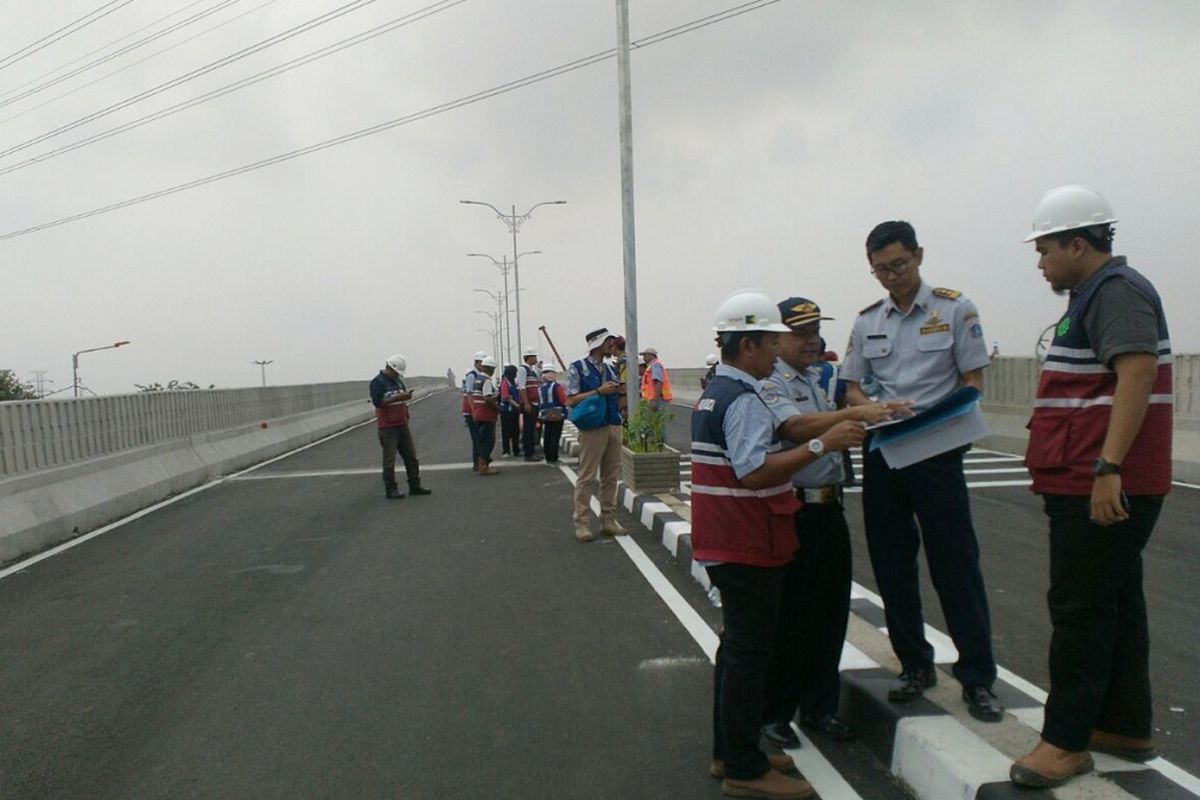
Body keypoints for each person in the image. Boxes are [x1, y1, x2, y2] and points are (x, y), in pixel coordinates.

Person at [1009, 186, 1173, 788]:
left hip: (1096, 481)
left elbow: (1136, 372)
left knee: (1078, 608)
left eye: (1047, 248)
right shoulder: (1093, 295)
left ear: (1079, 244)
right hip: (1087, 476)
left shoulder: (1117, 293)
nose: (1041, 261)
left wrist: (1108, 469)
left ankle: (1066, 741)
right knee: (1116, 604)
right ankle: (1124, 725)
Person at [693, 289, 866, 800]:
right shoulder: (744, 398)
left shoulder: (714, 392)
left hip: (727, 537)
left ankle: (731, 749)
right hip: (747, 539)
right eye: (771, 342)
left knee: (737, 652)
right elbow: (753, 472)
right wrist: (820, 444)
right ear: (748, 344)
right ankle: (745, 768)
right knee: (749, 655)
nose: (777, 351)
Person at [840, 220, 1003, 722]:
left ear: (919, 256)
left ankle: (977, 677)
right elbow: (851, 388)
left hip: (936, 451)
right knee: (892, 564)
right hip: (885, 453)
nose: (891, 277)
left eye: (899, 266)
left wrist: (936, 415)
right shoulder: (867, 322)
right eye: (880, 270)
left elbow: (972, 380)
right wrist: (872, 408)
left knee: (956, 564)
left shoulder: (955, 309)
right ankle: (915, 665)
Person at [759, 298, 901, 749]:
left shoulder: (818, 378)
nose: (812, 339)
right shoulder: (771, 382)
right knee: (792, 616)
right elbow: (795, 428)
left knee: (829, 612)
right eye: (801, 332)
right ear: (776, 338)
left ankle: (820, 707)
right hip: (794, 511)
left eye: (817, 330)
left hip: (829, 510)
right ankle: (776, 713)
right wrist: (852, 414)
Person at [565, 327, 625, 542]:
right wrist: (598, 392)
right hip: (592, 428)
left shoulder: (610, 369)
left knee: (611, 477)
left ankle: (608, 520)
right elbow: (570, 400)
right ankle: (581, 522)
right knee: (587, 476)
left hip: (613, 424)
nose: (613, 344)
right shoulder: (578, 368)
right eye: (609, 341)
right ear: (598, 344)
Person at [369, 354, 432, 499]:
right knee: (389, 460)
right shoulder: (377, 383)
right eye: (396, 373)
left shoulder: (397, 381)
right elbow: (378, 402)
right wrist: (397, 397)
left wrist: (405, 396)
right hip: (387, 426)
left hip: (402, 423)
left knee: (411, 457)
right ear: (390, 369)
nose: (398, 376)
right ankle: (391, 489)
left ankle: (415, 486)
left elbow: (400, 396)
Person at [469, 356, 500, 476]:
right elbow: (487, 398)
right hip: (486, 415)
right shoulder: (486, 380)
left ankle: (481, 463)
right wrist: (497, 407)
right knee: (488, 440)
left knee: (481, 440)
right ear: (491, 369)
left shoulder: (478, 379)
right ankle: (484, 466)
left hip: (478, 414)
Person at [516, 348, 544, 462]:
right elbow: (521, 387)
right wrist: (526, 403)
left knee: (532, 428)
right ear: (529, 357)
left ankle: (532, 452)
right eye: (534, 357)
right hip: (529, 404)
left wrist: (538, 369)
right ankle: (528, 454)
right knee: (528, 430)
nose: (536, 359)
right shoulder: (523, 370)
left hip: (534, 403)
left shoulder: (531, 370)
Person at [539, 363, 568, 464]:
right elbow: (563, 399)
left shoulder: (541, 387)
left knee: (547, 435)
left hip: (544, 414)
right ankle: (554, 458)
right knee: (555, 437)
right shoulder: (556, 386)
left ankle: (548, 458)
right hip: (557, 414)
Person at [462, 351, 487, 470]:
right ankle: (477, 463)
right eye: (482, 363)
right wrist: (474, 411)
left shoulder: (480, 375)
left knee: (480, 437)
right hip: (472, 411)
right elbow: (469, 394)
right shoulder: (472, 375)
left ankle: (479, 461)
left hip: (477, 411)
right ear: (477, 363)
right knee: (477, 438)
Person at [498, 364, 522, 457]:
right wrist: (517, 405)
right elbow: (506, 397)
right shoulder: (505, 382)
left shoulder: (514, 382)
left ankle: (516, 450)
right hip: (506, 411)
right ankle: (506, 451)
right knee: (506, 431)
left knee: (516, 431)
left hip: (514, 411)